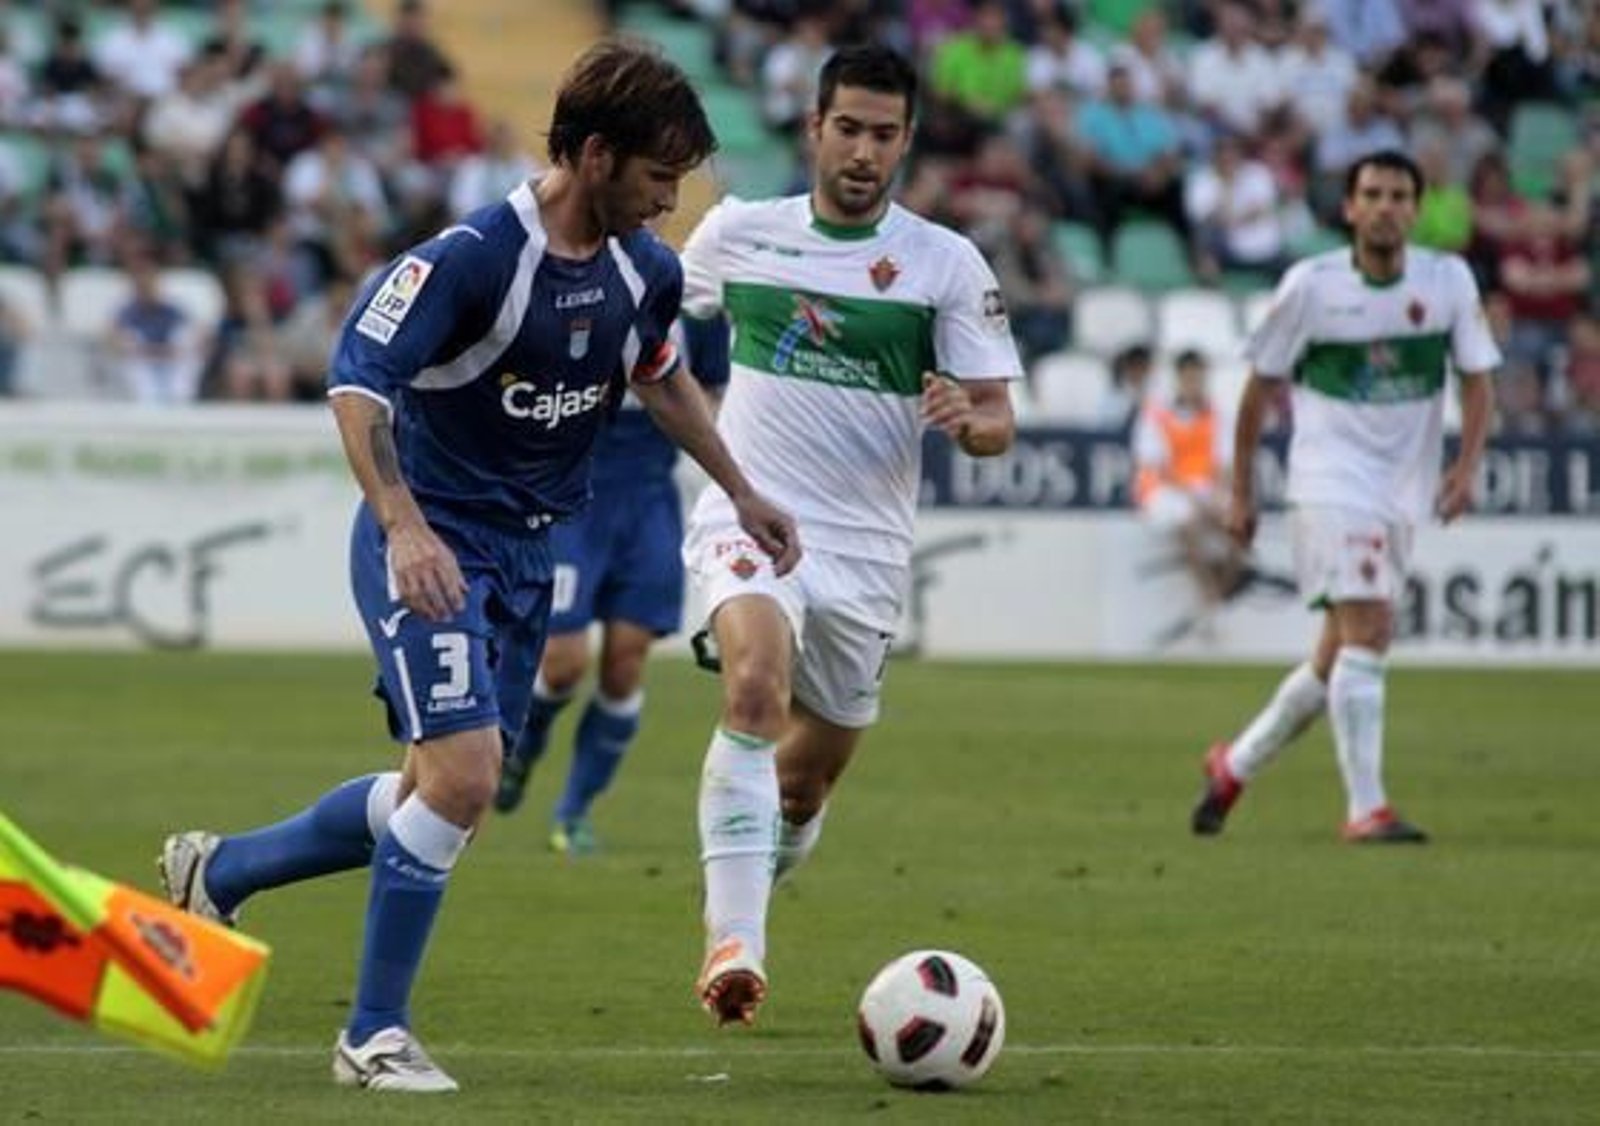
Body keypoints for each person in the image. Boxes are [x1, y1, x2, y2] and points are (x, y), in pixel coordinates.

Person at [156, 39, 798, 1093]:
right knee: (463, 781)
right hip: (433, 545)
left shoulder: (646, 268)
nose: (668, 200)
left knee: (430, 789)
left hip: (528, 551)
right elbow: (356, 384)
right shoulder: (471, 258)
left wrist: (741, 488)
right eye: (657, 176)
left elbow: (660, 376)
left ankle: (221, 869)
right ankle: (372, 1036)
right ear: (596, 155)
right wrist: (403, 526)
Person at [679, 44, 1022, 1028]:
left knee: (803, 783)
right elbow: (646, 323)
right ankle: (734, 943)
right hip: (752, 514)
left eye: (883, 134)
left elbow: (999, 421)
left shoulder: (943, 263)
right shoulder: (739, 233)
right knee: (753, 685)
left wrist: (967, 418)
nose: (864, 151)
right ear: (814, 129)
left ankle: (755, 868)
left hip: (865, 550)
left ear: (906, 141)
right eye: (848, 129)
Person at [1191, 150, 1497, 844]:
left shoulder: (1447, 281)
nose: (1386, 207)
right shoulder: (1312, 286)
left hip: (1401, 490)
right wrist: (1242, 490)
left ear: (1416, 210)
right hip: (1330, 480)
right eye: (1373, 194)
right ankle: (1367, 808)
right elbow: (1258, 389)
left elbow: (1478, 379)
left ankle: (1234, 765)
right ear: (1350, 208)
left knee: (1335, 655)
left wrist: (1465, 468)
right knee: (1372, 630)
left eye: (1399, 196)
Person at [493, 316, 730, 853]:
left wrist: (679, 397)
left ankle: (574, 812)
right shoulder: (580, 289)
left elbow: (714, 395)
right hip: (571, 495)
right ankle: (523, 745)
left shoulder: (698, 303)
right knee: (563, 661)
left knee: (625, 664)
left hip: (649, 498)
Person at [1132, 349, 1244, 617]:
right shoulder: (1156, 414)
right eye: (1189, 379)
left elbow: (1225, 464)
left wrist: (1216, 495)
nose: (1194, 385)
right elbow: (1156, 466)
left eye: (1198, 378)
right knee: (1188, 518)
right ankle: (1207, 591)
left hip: (1205, 488)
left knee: (1240, 524)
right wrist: (1196, 498)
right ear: (1179, 379)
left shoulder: (1218, 414)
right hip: (1165, 489)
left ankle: (1223, 587)